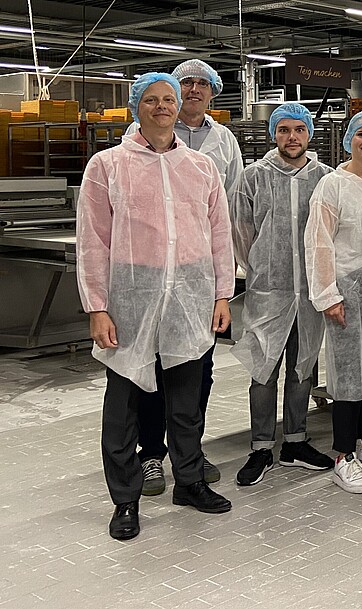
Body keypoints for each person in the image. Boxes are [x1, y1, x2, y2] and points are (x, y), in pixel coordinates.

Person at [78, 73, 234, 541]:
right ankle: (126, 500)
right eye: (153, 99)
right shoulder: (107, 166)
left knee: (186, 403)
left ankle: (188, 481)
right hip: (131, 297)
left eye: (169, 99)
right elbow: (92, 242)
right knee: (123, 407)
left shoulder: (201, 167)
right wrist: (96, 307)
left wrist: (222, 293)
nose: (163, 106)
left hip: (190, 296)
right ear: (136, 107)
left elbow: (219, 234)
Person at [137, 58, 243, 494]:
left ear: (212, 91)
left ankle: (189, 450)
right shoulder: (143, 136)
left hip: (197, 272)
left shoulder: (224, 141)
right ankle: (151, 455)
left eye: (202, 83)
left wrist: (226, 271)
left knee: (199, 366)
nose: (194, 90)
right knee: (151, 366)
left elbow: (230, 206)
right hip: (151, 270)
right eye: (186, 84)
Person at [229, 103, 335, 486]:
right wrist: (259, 271)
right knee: (263, 369)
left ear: (309, 134)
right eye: (284, 130)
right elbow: (240, 231)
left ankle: (295, 441)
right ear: (275, 134)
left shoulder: (325, 177)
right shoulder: (254, 176)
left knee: (302, 365)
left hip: (309, 290)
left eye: (299, 130)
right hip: (268, 291)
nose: (292, 137)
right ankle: (260, 446)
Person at [305, 109, 362, 494]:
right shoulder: (332, 184)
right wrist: (328, 294)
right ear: (349, 139)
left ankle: (358, 442)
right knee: (346, 374)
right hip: (346, 289)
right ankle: (342, 455)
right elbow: (319, 241)